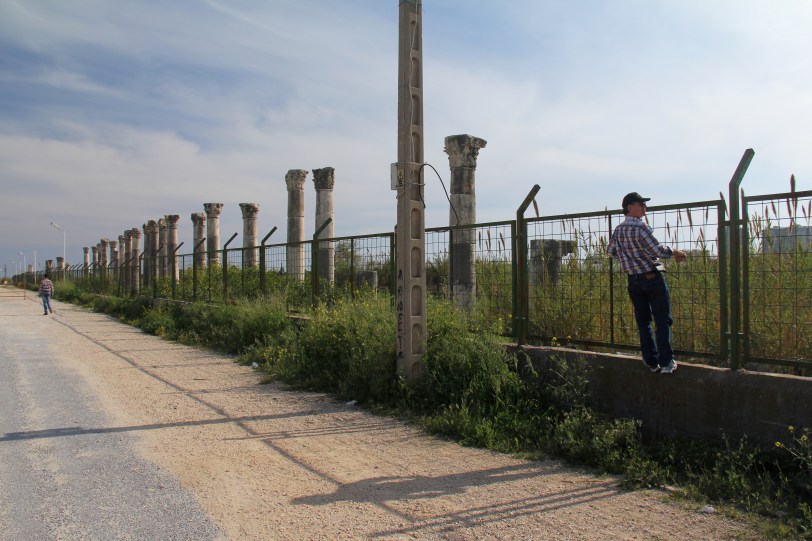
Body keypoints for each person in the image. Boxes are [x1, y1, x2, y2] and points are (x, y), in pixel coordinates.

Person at [607, 192, 687, 374]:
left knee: (643, 321)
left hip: (633, 281)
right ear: (630, 208)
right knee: (662, 320)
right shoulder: (641, 227)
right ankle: (666, 363)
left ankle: (651, 362)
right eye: (640, 204)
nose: (644, 207)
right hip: (652, 278)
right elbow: (657, 250)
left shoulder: (618, 230)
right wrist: (674, 252)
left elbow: (610, 251)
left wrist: (628, 256)